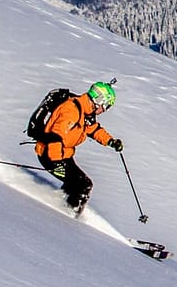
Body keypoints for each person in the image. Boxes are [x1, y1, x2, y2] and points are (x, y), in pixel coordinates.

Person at [33, 81, 125, 213]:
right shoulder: (72, 111)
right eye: (106, 106)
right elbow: (56, 135)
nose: (104, 110)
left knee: (77, 184)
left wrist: (111, 141)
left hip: (64, 155)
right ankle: (68, 216)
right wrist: (56, 161)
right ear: (99, 101)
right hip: (50, 155)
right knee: (83, 185)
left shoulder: (85, 110)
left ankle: (61, 205)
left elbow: (93, 129)